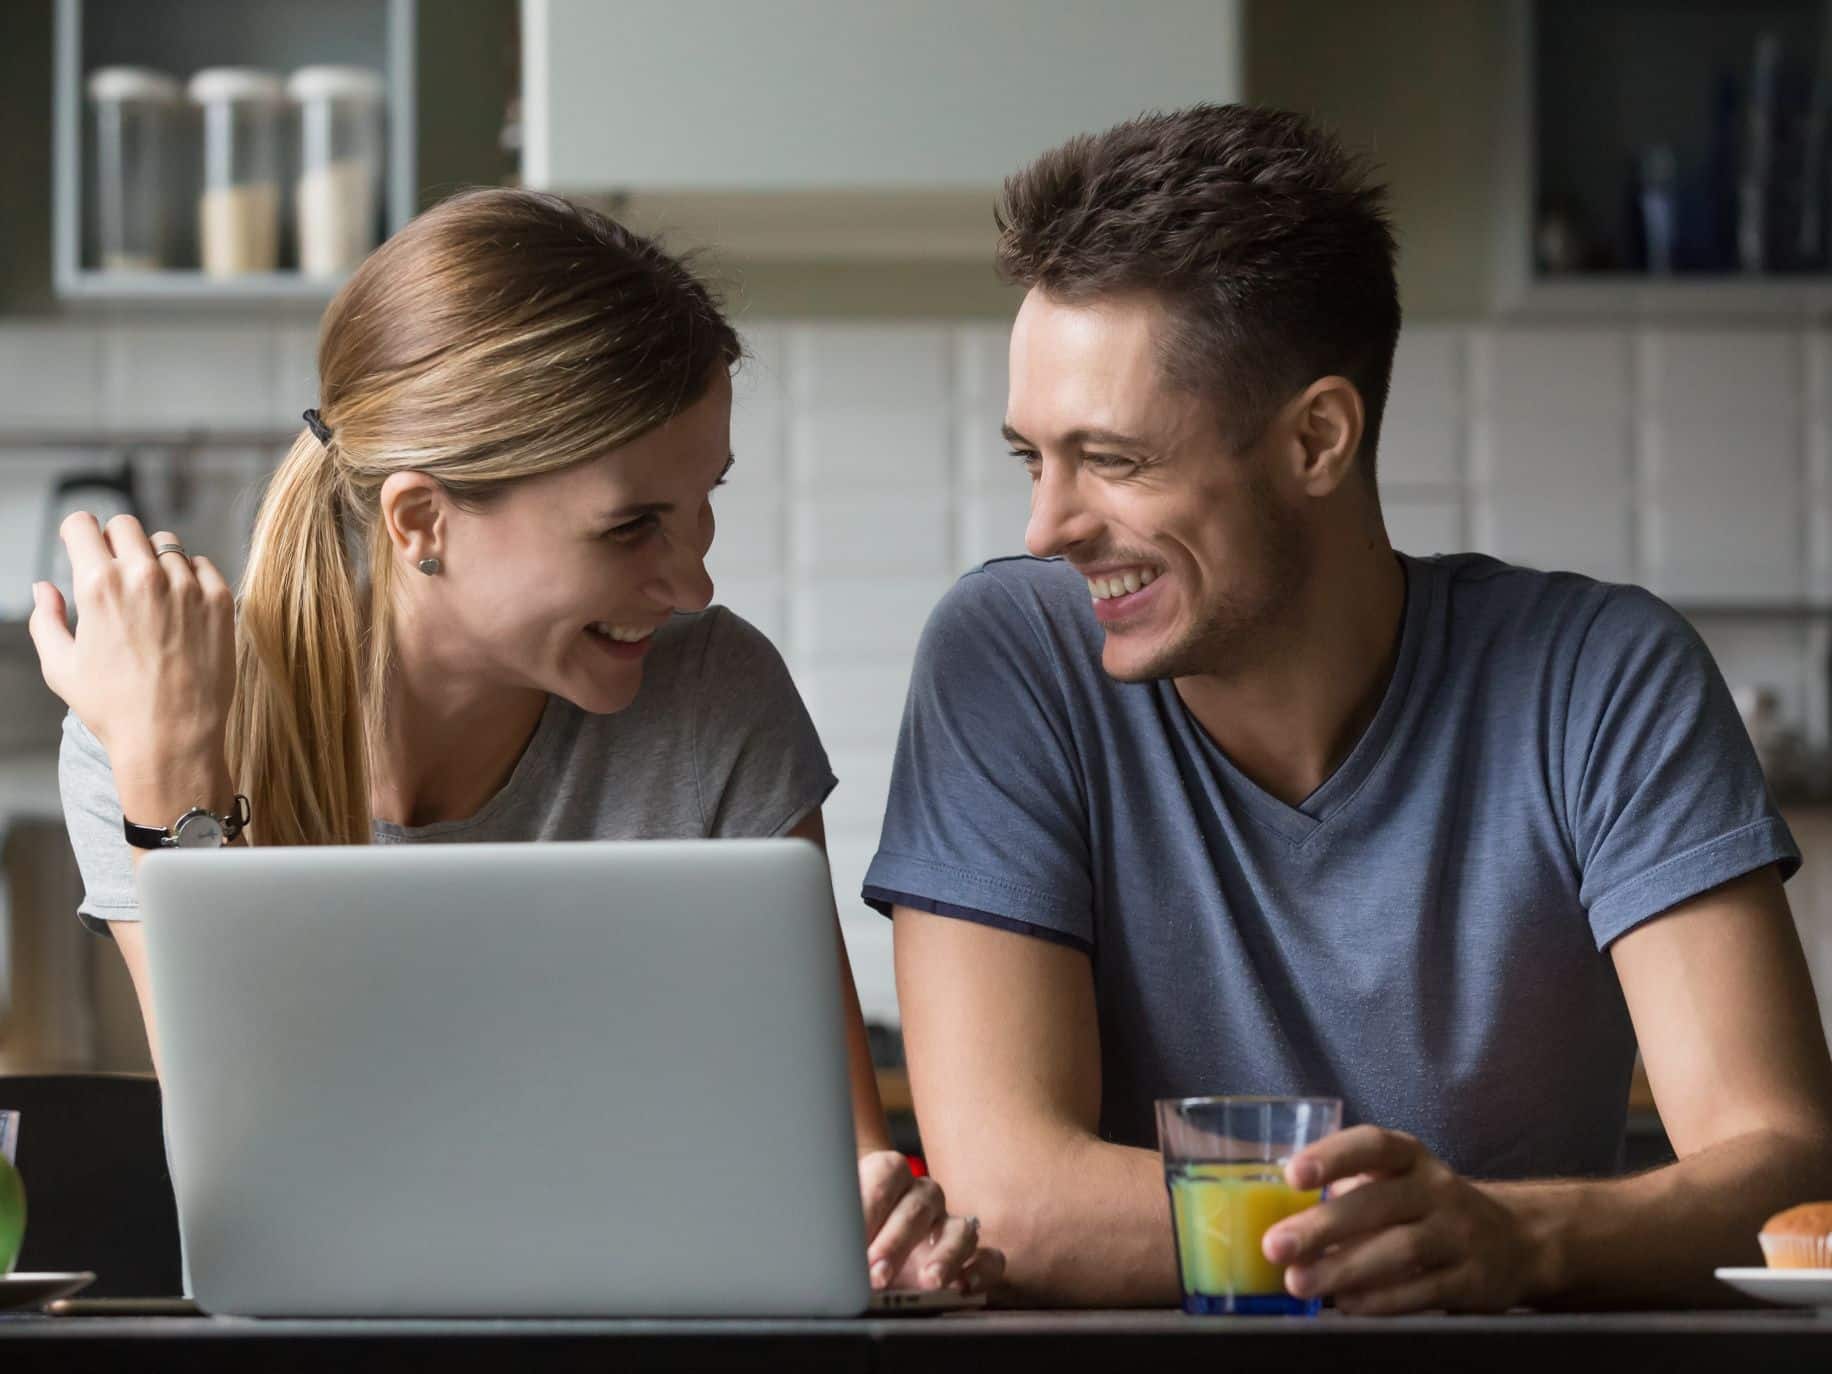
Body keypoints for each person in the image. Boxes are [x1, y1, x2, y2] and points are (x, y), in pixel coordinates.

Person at [868, 104, 1832, 1312]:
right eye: (1033, 457)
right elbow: (1013, 1198)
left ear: (1315, 438)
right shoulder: (1004, 662)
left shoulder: (1602, 674)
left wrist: (1517, 1237)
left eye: (1110, 460)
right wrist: (1407, 1236)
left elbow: (1784, 1165)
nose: (1046, 527)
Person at [30, 187, 1000, 1299]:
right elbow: (267, 1202)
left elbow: (841, 1173)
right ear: (420, 522)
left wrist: (887, 1229)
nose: (693, 582)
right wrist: (174, 777)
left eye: (701, 504)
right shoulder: (153, 728)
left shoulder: (714, 696)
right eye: (631, 524)